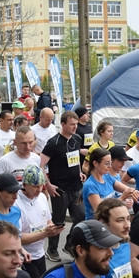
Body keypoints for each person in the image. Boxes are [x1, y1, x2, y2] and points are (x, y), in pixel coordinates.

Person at [40, 111, 86, 262]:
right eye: (72, 124)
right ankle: (51, 250)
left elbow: (75, 158)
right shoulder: (53, 143)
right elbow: (40, 165)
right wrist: (48, 185)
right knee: (58, 222)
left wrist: (80, 172)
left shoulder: (77, 139)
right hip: (60, 189)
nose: (75, 127)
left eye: (76, 124)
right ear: (63, 124)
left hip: (76, 187)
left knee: (81, 217)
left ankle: (69, 244)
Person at [13, 165, 63, 278]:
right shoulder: (15, 203)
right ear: (25, 185)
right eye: (35, 186)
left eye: (41, 185)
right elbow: (17, 238)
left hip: (40, 253)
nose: (39, 189)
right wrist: (45, 233)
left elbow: (48, 221)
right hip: (24, 256)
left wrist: (53, 228)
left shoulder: (42, 197)